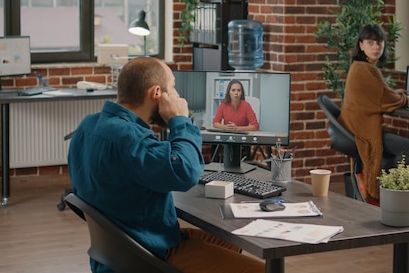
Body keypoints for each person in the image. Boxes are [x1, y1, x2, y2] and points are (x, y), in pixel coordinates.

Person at [68, 57, 264, 273]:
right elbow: (186, 172)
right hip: (150, 253)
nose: (178, 96)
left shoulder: (87, 126)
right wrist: (179, 119)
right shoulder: (131, 139)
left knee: (231, 239)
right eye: (173, 88)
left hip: (115, 252)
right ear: (157, 93)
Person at [337, 24, 409, 201]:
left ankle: (382, 184)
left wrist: (396, 95)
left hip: (354, 128)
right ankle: (387, 189)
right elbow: (386, 99)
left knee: (401, 148)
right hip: (361, 132)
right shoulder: (365, 69)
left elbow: (382, 95)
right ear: (361, 45)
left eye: (379, 43)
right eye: (370, 43)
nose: (376, 47)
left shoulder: (360, 67)